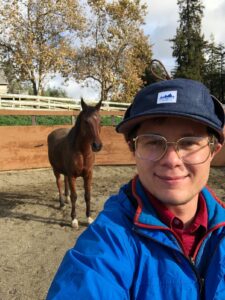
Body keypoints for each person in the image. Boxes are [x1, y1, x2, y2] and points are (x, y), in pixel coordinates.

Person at [46, 78, 225, 300]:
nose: (172, 160)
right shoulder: (109, 240)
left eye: (188, 142)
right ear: (133, 148)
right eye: (153, 142)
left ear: (214, 150)